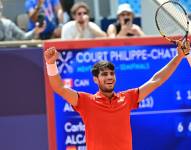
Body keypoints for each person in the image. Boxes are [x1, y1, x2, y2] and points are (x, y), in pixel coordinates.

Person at [44, 40, 190, 150]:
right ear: (95, 79)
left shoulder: (127, 98)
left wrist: (178, 57)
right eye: (104, 74)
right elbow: (60, 88)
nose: (109, 77)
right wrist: (51, 64)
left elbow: (156, 80)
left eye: (112, 74)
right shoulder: (85, 101)